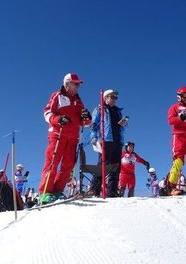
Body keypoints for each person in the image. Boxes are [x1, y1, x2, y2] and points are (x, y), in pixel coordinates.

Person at [37, 73, 91, 205]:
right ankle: (45, 192)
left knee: (68, 165)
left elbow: (85, 122)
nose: (78, 86)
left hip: (73, 137)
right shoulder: (57, 96)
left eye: (79, 84)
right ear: (67, 84)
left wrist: (86, 117)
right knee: (52, 162)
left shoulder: (79, 101)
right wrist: (58, 119)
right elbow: (47, 113)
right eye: (75, 84)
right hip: (58, 134)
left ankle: (57, 190)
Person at [89, 89, 127, 197]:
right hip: (106, 140)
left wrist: (123, 124)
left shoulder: (118, 111)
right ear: (105, 98)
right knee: (103, 165)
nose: (114, 99)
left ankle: (112, 192)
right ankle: (94, 190)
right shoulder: (100, 109)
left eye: (116, 97)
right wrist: (94, 137)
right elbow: (93, 124)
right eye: (112, 97)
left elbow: (121, 128)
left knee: (116, 167)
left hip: (117, 141)